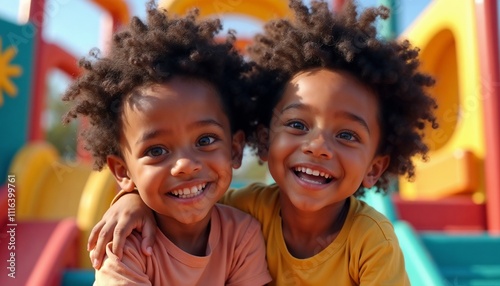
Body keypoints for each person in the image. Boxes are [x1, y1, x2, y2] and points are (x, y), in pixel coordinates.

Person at [87, 0, 438, 285]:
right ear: (265, 140)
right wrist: (131, 199)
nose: (318, 147)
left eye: (346, 135)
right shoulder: (247, 211)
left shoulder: (371, 242)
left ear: (374, 168)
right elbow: (188, 193)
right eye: (298, 124)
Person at [62, 1, 272, 285]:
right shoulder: (125, 242)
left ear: (234, 149)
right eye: (156, 150)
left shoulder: (242, 234)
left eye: (205, 140)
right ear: (124, 172)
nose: (184, 165)